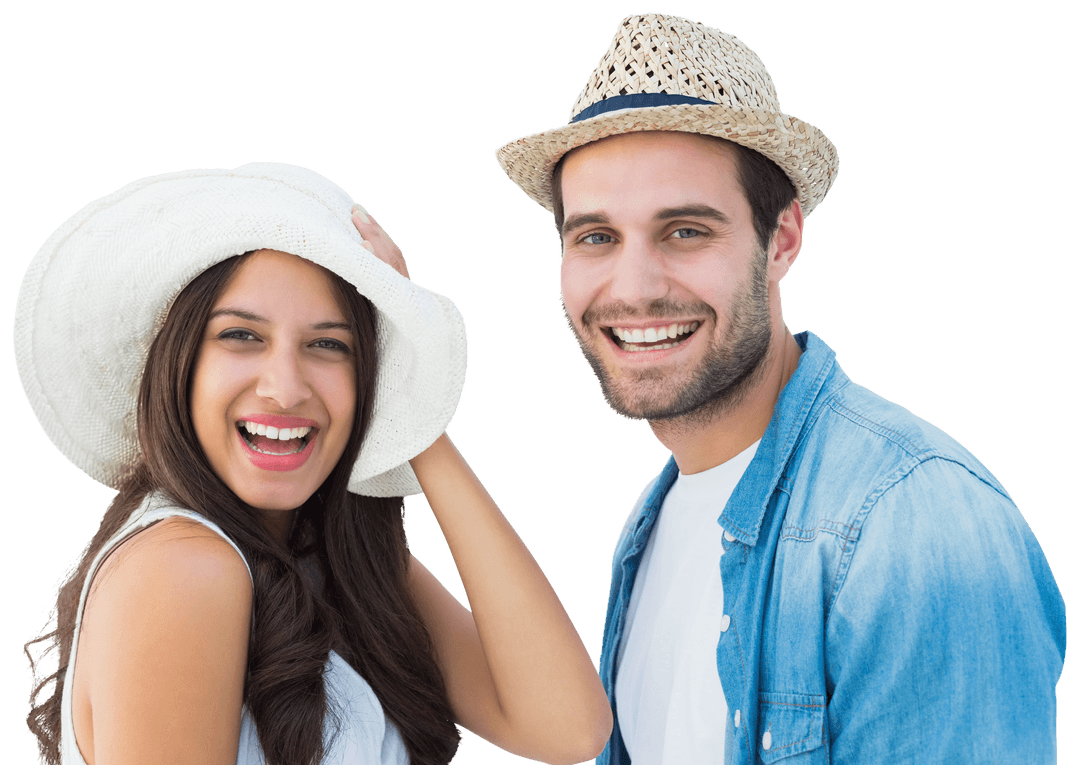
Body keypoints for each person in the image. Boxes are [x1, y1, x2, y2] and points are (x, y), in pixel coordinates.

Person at [495, 12, 1066, 765]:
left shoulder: (914, 526)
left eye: (686, 230)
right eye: (596, 237)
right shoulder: (653, 518)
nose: (632, 288)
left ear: (783, 239)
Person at [15, 163, 612, 765]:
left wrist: (413, 402)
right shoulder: (185, 569)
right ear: (179, 366)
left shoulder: (342, 570)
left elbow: (567, 728)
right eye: (242, 336)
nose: (285, 388)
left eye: (329, 345)